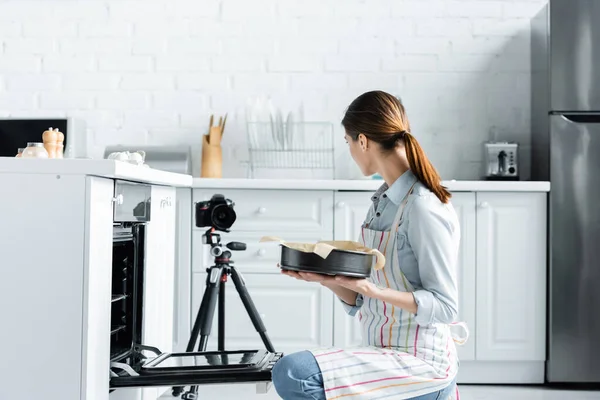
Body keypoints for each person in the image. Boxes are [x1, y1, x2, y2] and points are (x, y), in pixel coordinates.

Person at [271, 90, 468, 400]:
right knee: (290, 371)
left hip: (422, 361)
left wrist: (373, 290)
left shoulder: (423, 207)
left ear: (363, 141)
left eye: (348, 143)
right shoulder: (382, 201)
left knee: (295, 373)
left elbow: (444, 307)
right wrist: (327, 280)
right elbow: (364, 299)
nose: (349, 150)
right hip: (383, 351)